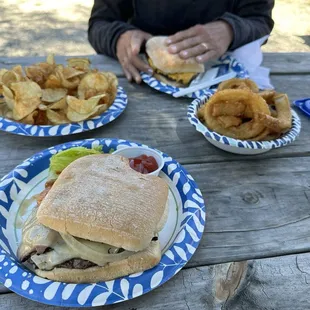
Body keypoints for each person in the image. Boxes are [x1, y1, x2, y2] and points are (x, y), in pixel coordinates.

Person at [88, 0, 274, 83]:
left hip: (222, 82)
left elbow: (260, 20)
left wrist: (230, 29)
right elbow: (99, 23)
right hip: (139, 79)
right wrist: (118, 37)